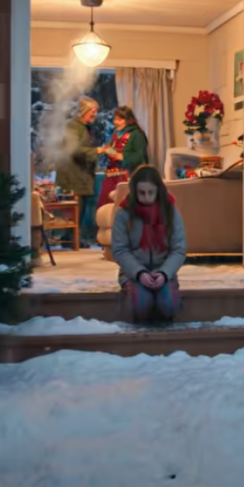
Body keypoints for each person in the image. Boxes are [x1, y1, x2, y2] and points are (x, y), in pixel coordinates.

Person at [111, 165, 186, 323]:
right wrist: (139, 273)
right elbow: (120, 250)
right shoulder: (123, 214)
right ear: (134, 191)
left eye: (151, 192)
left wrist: (165, 273)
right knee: (141, 305)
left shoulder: (170, 211)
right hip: (134, 272)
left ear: (158, 190)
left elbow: (178, 249)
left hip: (163, 270)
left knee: (168, 305)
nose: (146, 197)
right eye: (141, 193)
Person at [55, 97, 109, 247]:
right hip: (73, 174)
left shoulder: (83, 127)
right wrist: (97, 150)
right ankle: (72, 239)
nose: (95, 115)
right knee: (76, 208)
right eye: (93, 111)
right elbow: (75, 150)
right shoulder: (72, 127)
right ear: (84, 111)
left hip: (81, 174)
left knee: (80, 207)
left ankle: (73, 239)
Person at [97, 106, 149, 209]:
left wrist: (122, 156)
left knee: (124, 205)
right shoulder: (116, 133)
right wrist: (108, 150)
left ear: (128, 120)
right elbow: (112, 147)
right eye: (115, 119)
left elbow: (140, 156)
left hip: (128, 176)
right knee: (108, 205)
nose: (116, 122)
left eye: (119, 119)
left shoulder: (137, 135)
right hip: (113, 176)